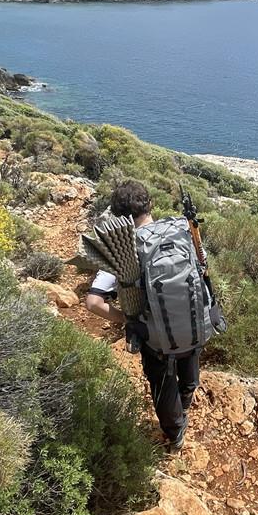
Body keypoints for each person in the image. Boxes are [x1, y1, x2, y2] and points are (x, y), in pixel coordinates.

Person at [84, 179, 200, 450]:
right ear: (151, 205)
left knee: (162, 380)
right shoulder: (180, 231)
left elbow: (92, 303)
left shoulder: (122, 252)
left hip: (154, 337)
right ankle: (184, 405)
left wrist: (126, 319)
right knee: (187, 372)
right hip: (193, 324)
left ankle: (175, 434)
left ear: (118, 217)